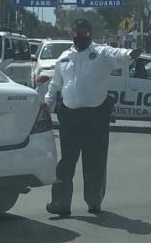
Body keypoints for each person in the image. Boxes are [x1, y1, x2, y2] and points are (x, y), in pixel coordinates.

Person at [43, 19, 141, 216]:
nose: (81, 35)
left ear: (90, 33)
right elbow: (55, 85)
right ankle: (60, 204)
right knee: (66, 163)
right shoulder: (64, 58)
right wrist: (47, 103)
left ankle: (94, 201)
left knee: (95, 161)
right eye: (77, 32)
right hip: (69, 116)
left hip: (96, 116)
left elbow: (118, 55)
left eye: (85, 32)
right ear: (72, 34)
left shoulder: (101, 53)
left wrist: (130, 54)